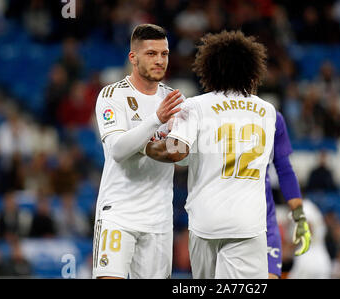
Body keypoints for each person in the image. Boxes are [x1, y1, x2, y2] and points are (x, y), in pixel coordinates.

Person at [146, 30, 311, 279]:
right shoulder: (268, 112)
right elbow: (283, 167)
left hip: (205, 219)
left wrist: (147, 146)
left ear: (209, 68)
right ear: (252, 70)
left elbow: (177, 152)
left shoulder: (195, 105)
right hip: (249, 222)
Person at [92, 24, 184, 279]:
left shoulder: (176, 100)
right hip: (118, 214)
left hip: (159, 219)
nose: (160, 60)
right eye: (151, 54)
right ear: (133, 57)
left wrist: (181, 145)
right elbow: (118, 150)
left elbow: (182, 156)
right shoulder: (112, 95)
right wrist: (156, 119)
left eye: (164, 54)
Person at [265, 111, 308, 279]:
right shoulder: (204, 109)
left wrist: (299, 217)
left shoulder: (271, 116)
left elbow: (284, 170)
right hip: (224, 223)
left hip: (264, 221)